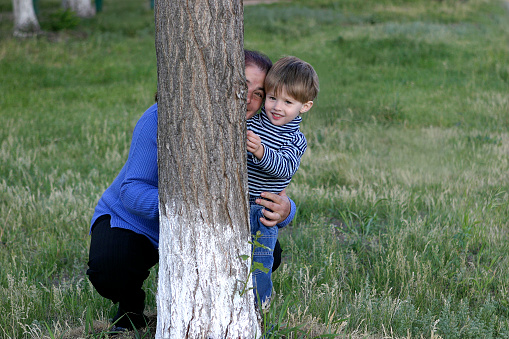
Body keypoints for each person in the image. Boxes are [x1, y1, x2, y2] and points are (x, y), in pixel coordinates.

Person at [86, 50, 296, 331]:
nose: (247, 98)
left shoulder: (255, 132)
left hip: (208, 226)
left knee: (270, 254)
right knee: (110, 268)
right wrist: (187, 208)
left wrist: (286, 210)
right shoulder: (162, 118)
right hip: (138, 221)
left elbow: (271, 186)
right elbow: (132, 190)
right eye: (241, 85)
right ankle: (130, 308)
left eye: (259, 93)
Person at [246, 56, 319, 308]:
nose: (277, 107)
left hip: (265, 211)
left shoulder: (296, 141)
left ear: (305, 106)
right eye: (272, 97)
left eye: (288, 102)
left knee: (261, 261)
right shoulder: (253, 122)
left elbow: (284, 169)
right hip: (237, 202)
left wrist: (261, 152)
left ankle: (260, 304)